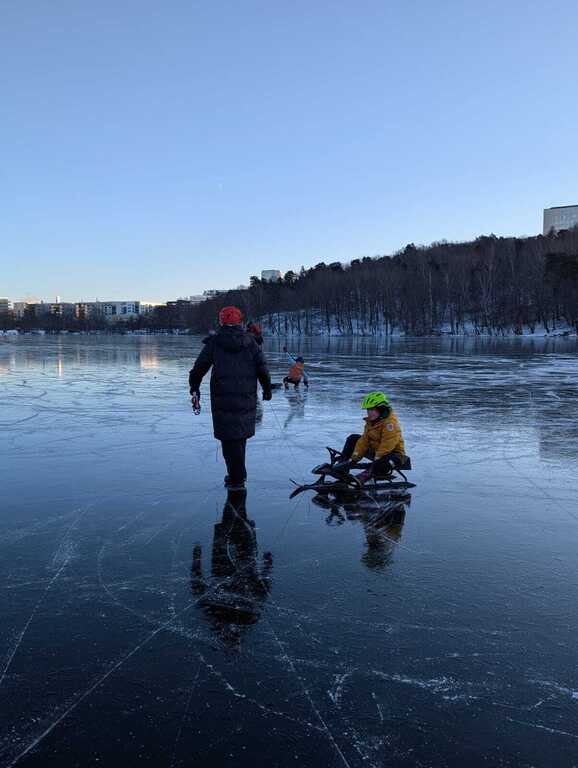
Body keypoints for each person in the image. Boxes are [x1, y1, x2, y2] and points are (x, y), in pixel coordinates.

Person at [189, 306, 272, 489]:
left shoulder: (214, 343)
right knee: (239, 436)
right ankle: (237, 475)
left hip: (222, 398)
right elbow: (263, 369)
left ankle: (236, 477)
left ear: (221, 321)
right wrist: (267, 389)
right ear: (240, 321)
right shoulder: (251, 343)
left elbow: (198, 369)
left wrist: (194, 388)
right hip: (246, 397)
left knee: (229, 438)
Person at [334, 392, 406, 483]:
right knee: (353, 438)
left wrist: (377, 458)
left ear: (381, 409)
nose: (369, 413)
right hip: (377, 452)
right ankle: (342, 465)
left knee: (383, 463)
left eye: (372, 410)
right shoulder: (371, 421)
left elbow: (388, 444)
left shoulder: (390, 424)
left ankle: (366, 475)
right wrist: (354, 458)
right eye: (368, 410)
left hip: (393, 454)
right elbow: (364, 440)